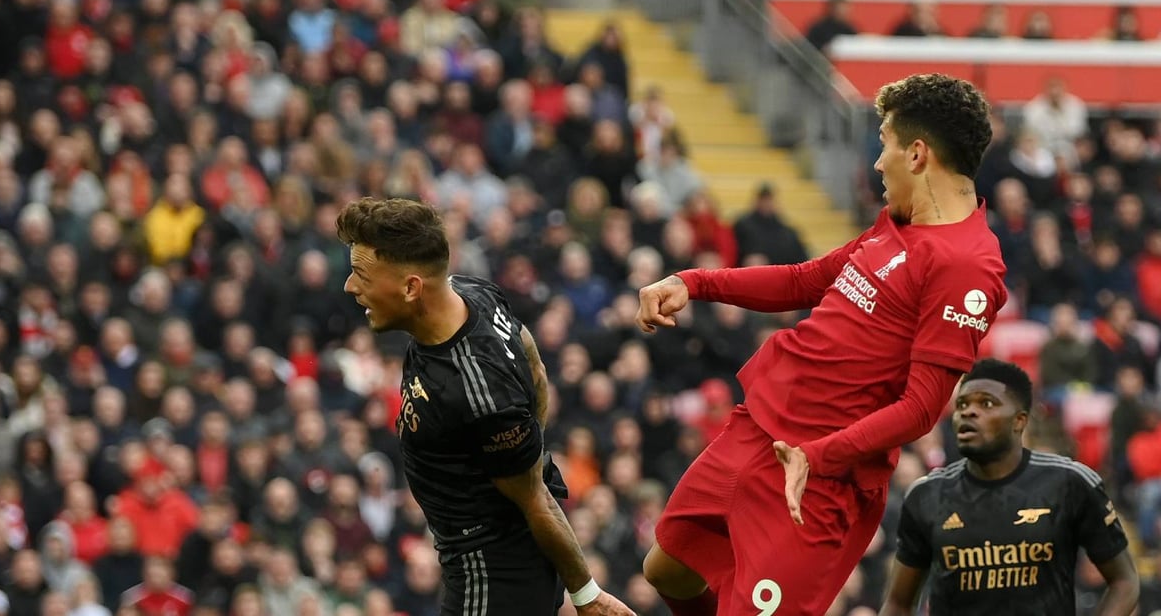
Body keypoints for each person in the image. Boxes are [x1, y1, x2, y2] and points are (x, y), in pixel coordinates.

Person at [635, 73, 1009, 616]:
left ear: (917, 155)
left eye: (885, 145)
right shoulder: (898, 223)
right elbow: (804, 280)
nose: (877, 163)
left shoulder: (967, 266)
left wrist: (817, 456)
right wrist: (693, 283)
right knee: (667, 568)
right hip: (758, 427)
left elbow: (921, 409)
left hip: (818, 478)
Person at [335, 198, 635, 616]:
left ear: (411, 288)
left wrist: (587, 597)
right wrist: (523, 445)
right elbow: (532, 359)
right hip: (486, 558)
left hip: (491, 574)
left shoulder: (478, 391)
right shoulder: (471, 292)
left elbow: (535, 497)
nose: (350, 286)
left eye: (362, 274)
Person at [880, 358, 1139, 615]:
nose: (968, 412)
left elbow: (1125, 581)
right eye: (962, 404)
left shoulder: (1070, 483)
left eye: (986, 403)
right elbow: (897, 603)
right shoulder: (927, 495)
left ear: (1019, 421)